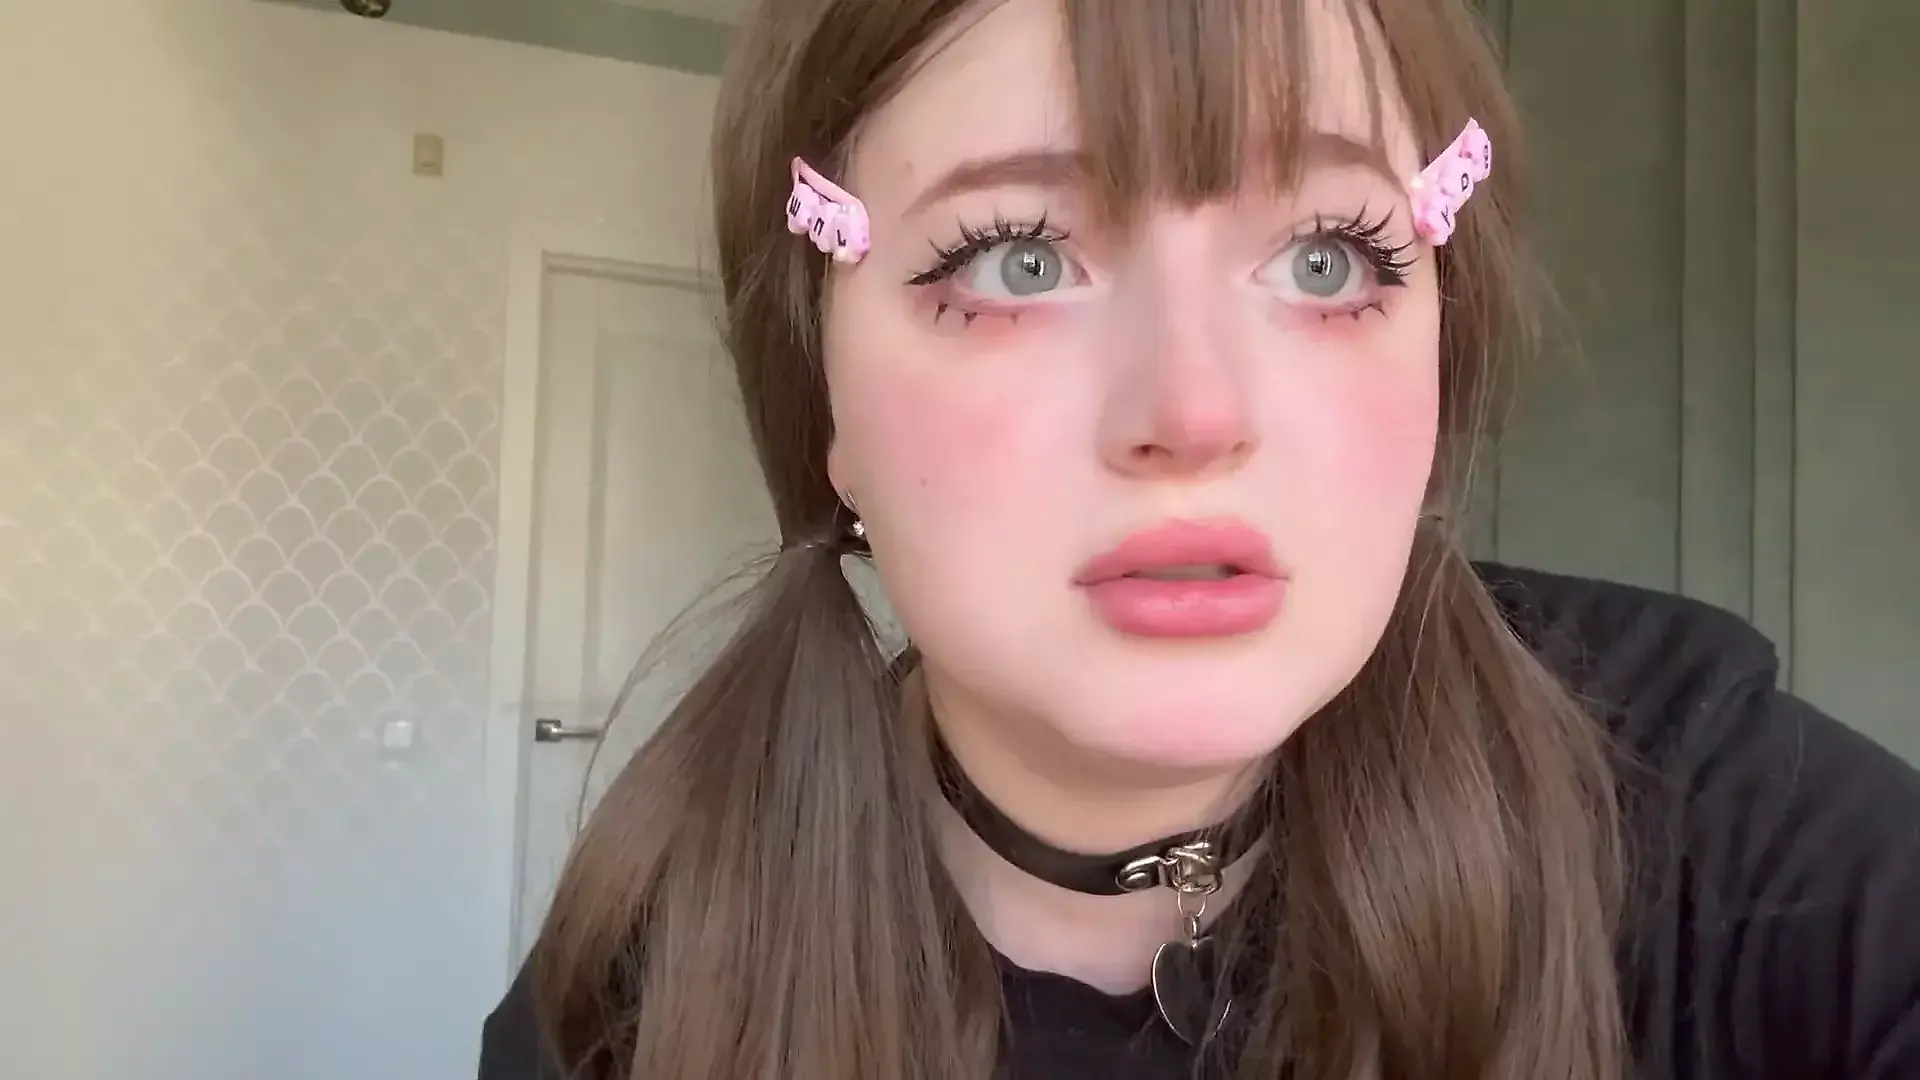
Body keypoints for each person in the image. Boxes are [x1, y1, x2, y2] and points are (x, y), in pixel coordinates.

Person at [478, 0, 1920, 1076]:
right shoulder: (637, 1007)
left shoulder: (1691, 803)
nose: (1194, 412)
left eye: (1326, 260)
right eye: (1019, 260)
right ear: (825, 402)